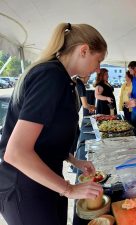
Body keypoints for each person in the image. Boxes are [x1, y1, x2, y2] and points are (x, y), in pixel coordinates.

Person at [0, 23, 106, 225]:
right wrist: (69, 189)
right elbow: (16, 152)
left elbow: (46, 138)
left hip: (44, 182)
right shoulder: (50, 76)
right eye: (98, 60)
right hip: (24, 188)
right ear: (84, 50)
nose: (98, 68)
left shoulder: (63, 79)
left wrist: (75, 161)